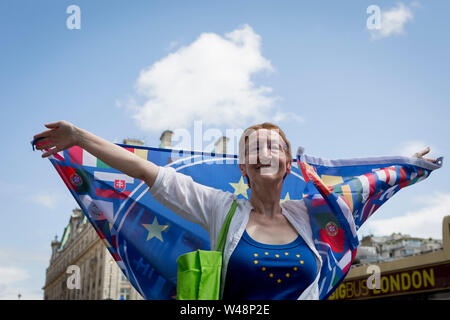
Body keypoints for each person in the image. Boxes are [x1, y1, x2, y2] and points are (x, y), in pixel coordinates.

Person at [32, 120, 436, 300]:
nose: (264, 152)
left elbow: (370, 185)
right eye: (253, 148)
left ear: (289, 163)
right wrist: (79, 137)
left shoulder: (314, 215)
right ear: (242, 166)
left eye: (273, 146)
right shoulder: (220, 209)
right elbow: (145, 170)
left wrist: (409, 166)